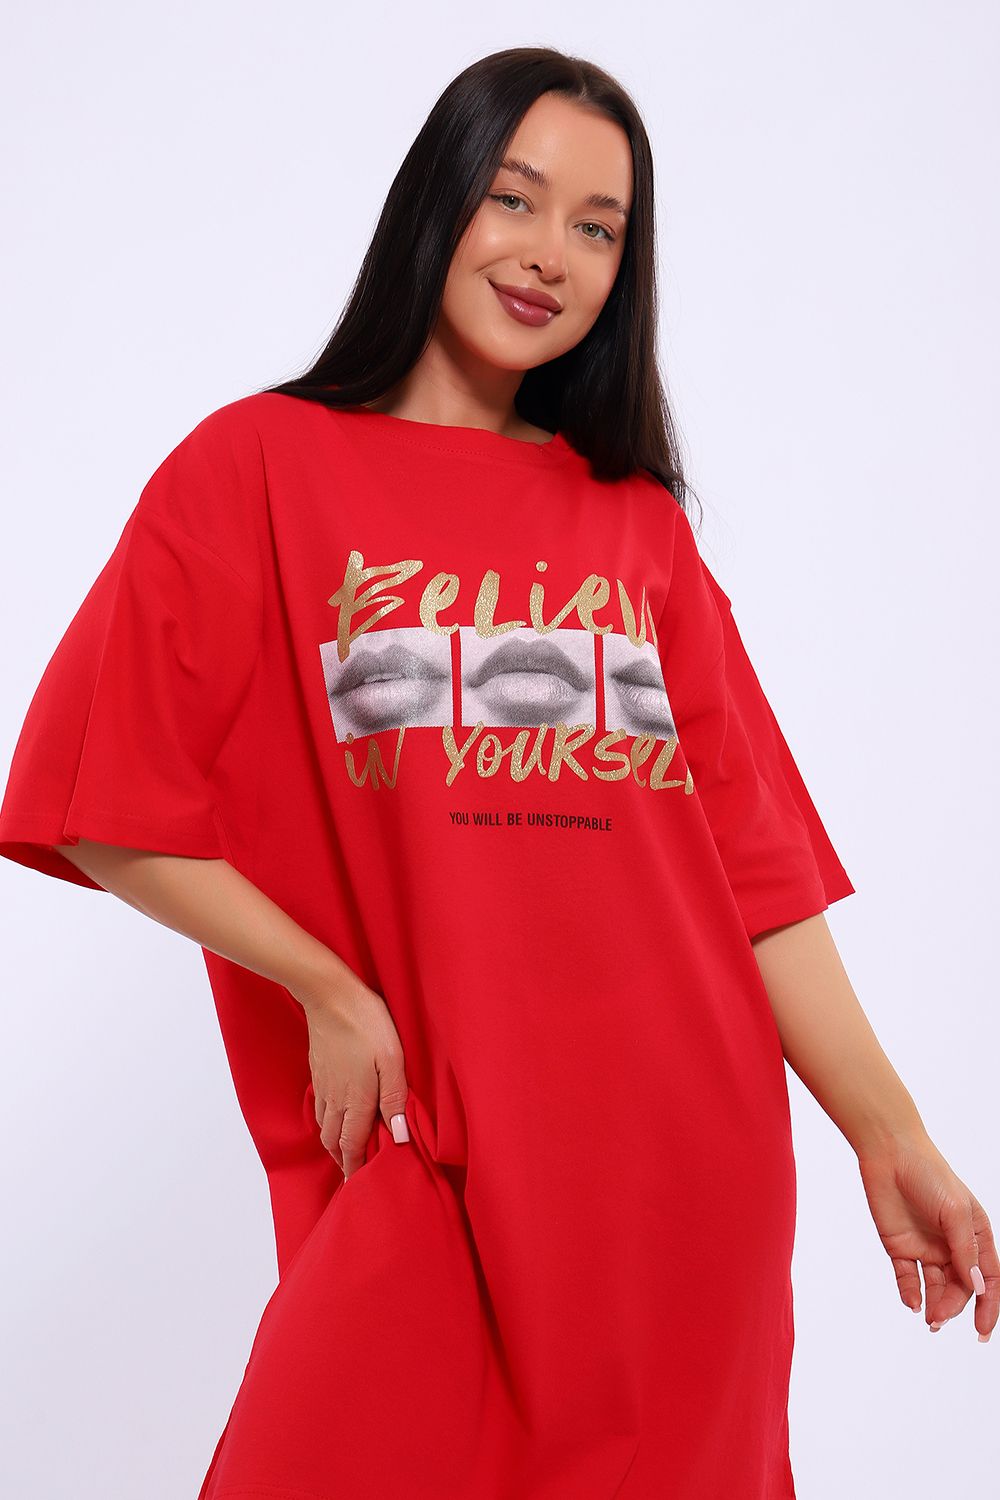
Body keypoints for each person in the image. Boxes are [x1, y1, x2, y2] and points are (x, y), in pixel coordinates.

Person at [0, 44, 994, 1500]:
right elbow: (95, 799)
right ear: (441, 200)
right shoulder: (257, 468)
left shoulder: (635, 523)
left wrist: (891, 1134)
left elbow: (757, 876)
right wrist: (329, 990)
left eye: (598, 227)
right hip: (432, 1145)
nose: (549, 255)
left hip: (676, 1166)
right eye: (515, 199)